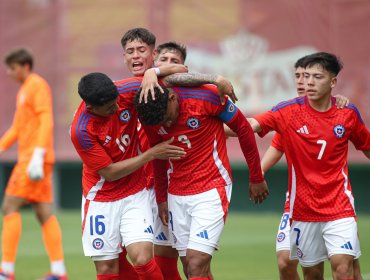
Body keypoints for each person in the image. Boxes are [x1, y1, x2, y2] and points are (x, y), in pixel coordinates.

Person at [120, 27, 236, 280]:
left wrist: (214, 79)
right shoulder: (129, 89)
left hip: (165, 184)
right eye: (164, 60)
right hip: (138, 185)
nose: (137, 56)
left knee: (180, 260)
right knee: (131, 256)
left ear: (151, 55)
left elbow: (182, 75)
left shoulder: (168, 89)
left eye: (142, 51)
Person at [250, 52, 370, 280]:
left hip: (339, 204)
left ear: (333, 82)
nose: (306, 82)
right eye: (303, 76)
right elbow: (255, 129)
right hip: (302, 207)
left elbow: (366, 146)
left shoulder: (347, 113)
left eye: (316, 77)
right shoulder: (288, 112)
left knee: (344, 269)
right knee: (304, 270)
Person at [135, 85, 269, 280]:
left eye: (167, 117)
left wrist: (256, 176)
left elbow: (243, 128)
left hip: (211, 187)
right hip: (176, 193)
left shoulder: (207, 96)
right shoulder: (151, 114)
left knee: (196, 262)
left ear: (172, 98)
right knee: (191, 267)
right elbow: (159, 157)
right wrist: (162, 198)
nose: (167, 123)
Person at [70, 72, 187, 280]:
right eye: (109, 108)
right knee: (106, 268)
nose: (117, 109)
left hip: (134, 193)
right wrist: (151, 154)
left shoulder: (126, 90)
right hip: (101, 198)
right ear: (91, 108)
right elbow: (110, 173)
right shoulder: (81, 130)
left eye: (116, 103)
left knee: (142, 258)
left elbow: (176, 71)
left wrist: (153, 72)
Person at [0, 48, 67, 280]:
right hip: (35, 158)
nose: (9, 72)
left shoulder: (36, 85)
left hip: (33, 159)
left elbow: (46, 118)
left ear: (25, 66)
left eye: (12, 67)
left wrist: (38, 155)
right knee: (43, 212)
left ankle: (6, 271)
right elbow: (18, 128)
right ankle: (59, 271)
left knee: (9, 207)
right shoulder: (24, 90)